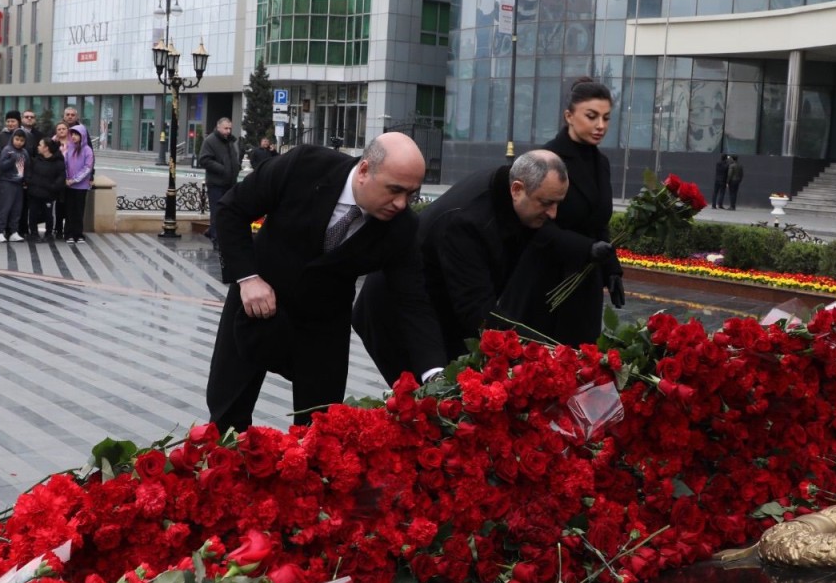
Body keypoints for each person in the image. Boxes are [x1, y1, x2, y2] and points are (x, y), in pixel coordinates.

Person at [205, 133, 444, 433]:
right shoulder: (304, 165)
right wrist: (248, 278)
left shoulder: (402, 227)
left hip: (323, 323)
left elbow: (413, 302)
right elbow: (231, 209)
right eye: (394, 190)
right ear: (365, 170)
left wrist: (435, 372)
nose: (400, 203)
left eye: (411, 194)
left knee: (321, 431)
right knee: (226, 418)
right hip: (256, 302)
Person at [354, 149, 592, 384]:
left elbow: (547, 235)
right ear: (517, 189)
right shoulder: (467, 222)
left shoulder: (518, 195)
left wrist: (589, 249)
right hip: (397, 315)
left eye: (558, 203)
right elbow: (477, 311)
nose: (553, 213)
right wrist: (548, 351)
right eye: (546, 203)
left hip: (447, 307)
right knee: (431, 397)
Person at [506, 78, 624, 347]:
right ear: (569, 116)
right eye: (592, 116)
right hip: (546, 281)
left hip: (585, 286)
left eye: (606, 118)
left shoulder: (602, 163)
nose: (601, 125)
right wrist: (587, 248)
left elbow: (599, 222)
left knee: (580, 360)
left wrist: (612, 270)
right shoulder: (547, 158)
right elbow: (535, 225)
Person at [198, 117, 241, 247]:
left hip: (230, 183)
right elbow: (204, 160)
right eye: (225, 128)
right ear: (218, 127)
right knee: (217, 212)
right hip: (216, 184)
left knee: (227, 212)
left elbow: (233, 158)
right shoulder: (210, 141)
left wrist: (236, 167)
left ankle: (213, 232)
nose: (228, 131)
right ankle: (216, 239)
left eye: (229, 128)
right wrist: (223, 169)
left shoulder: (230, 141)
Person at [25, 137, 65, 241]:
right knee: (33, 213)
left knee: (48, 214)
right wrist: (29, 182)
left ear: (46, 148)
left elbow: (61, 177)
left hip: (48, 194)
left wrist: (53, 187)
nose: (38, 147)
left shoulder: (58, 162)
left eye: (40, 145)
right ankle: (33, 233)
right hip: (34, 192)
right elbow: (29, 173)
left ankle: (49, 233)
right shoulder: (36, 160)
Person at [0, 129, 29, 242]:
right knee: (5, 208)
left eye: (22, 140)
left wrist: (26, 180)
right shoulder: (7, 150)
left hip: (19, 183)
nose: (19, 142)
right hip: (7, 182)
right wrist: (12, 160)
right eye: (17, 139)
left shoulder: (24, 152)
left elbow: (27, 167)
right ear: (12, 138)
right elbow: (2, 166)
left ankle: (14, 231)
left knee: (17, 209)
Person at [62, 124, 94, 244]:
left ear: (82, 136)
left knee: (79, 210)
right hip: (69, 186)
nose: (74, 137)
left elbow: (87, 167)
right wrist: (66, 178)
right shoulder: (69, 148)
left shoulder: (87, 150)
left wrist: (74, 180)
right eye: (73, 134)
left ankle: (78, 234)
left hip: (81, 186)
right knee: (69, 210)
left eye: (77, 134)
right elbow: (65, 164)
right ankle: (69, 233)